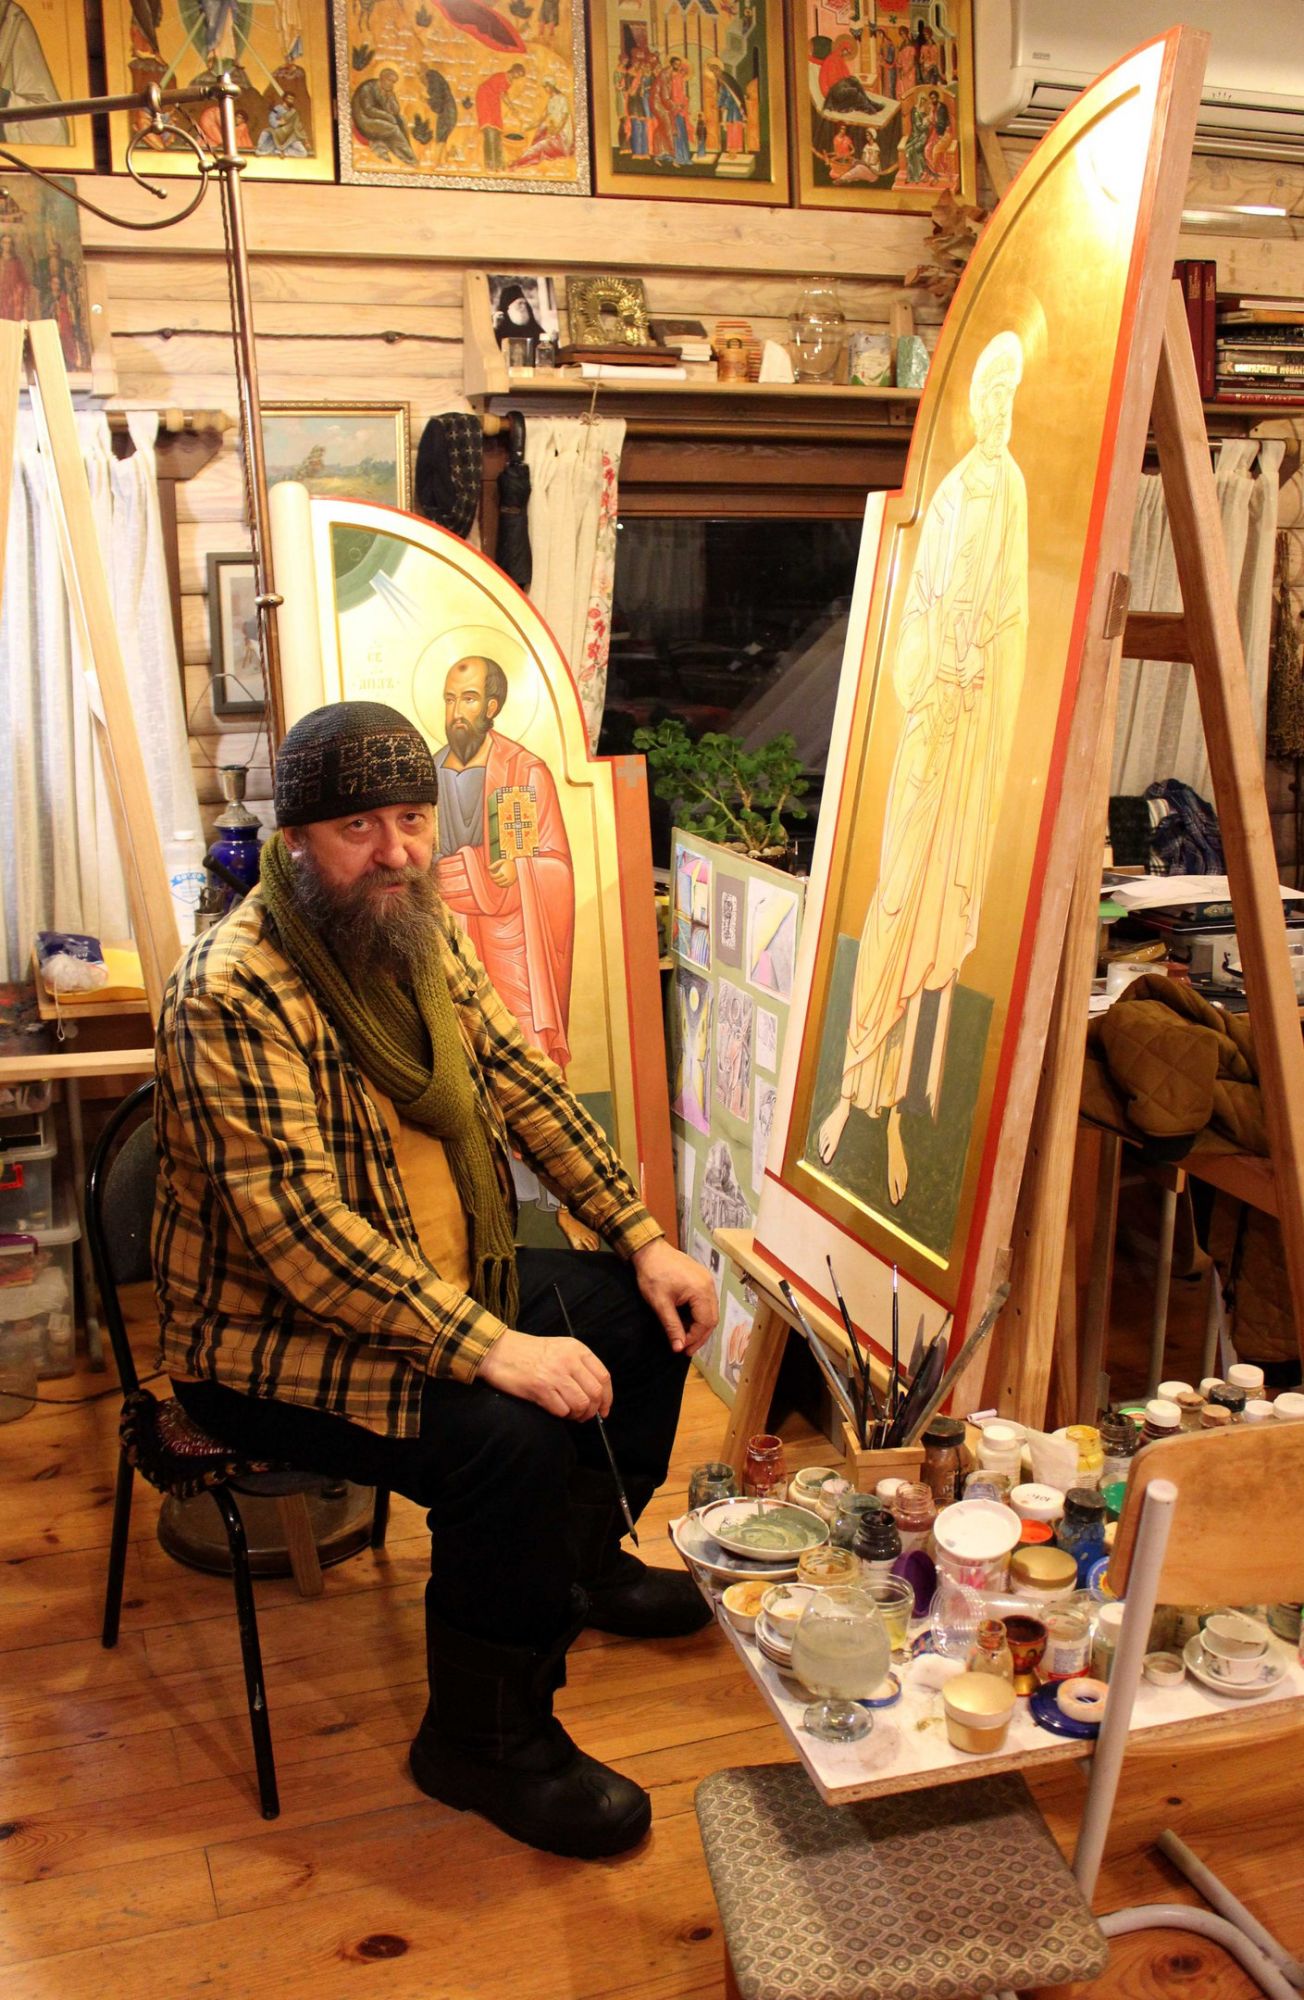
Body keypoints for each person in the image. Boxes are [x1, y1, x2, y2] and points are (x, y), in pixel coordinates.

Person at [155, 700, 718, 1860]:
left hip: (429, 1271)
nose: (396, 850)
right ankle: (483, 1738)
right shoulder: (231, 988)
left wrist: (639, 1232)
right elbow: (302, 1234)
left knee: (640, 1313)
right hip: (261, 1339)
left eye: (412, 818)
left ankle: (579, 1569)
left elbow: (522, 1082)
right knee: (504, 1436)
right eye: (358, 826)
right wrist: (492, 1346)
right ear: (297, 839)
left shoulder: (419, 930)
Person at [816, 333, 1029, 1204]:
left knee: (942, 903)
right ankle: (854, 1080)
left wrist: (981, 665)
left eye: (1008, 396)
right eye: (987, 395)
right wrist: (935, 665)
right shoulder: (948, 495)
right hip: (927, 728)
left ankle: (900, 1109)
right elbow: (916, 613)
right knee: (896, 895)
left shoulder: (1012, 491)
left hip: (972, 741)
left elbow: (1016, 616)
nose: (996, 410)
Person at [432, 654, 573, 1066]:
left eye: (469, 699)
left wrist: (521, 869)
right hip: (449, 924)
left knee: (520, 1042)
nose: (457, 712)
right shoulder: (429, 770)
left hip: (511, 933)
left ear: (491, 707)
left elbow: (557, 865)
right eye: (450, 699)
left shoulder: (523, 770)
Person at [476, 61, 525, 173]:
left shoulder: (509, 80)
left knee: (497, 131)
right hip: (485, 99)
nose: (518, 76)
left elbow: (504, 94)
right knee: (489, 129)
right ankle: (490, 165)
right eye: (519, 73)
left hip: (494, 101)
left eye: (520, 75)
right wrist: (512, 108)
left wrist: (512, 107)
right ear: (514, 69)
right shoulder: (502, 76)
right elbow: (503, 94)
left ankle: (499, 164)